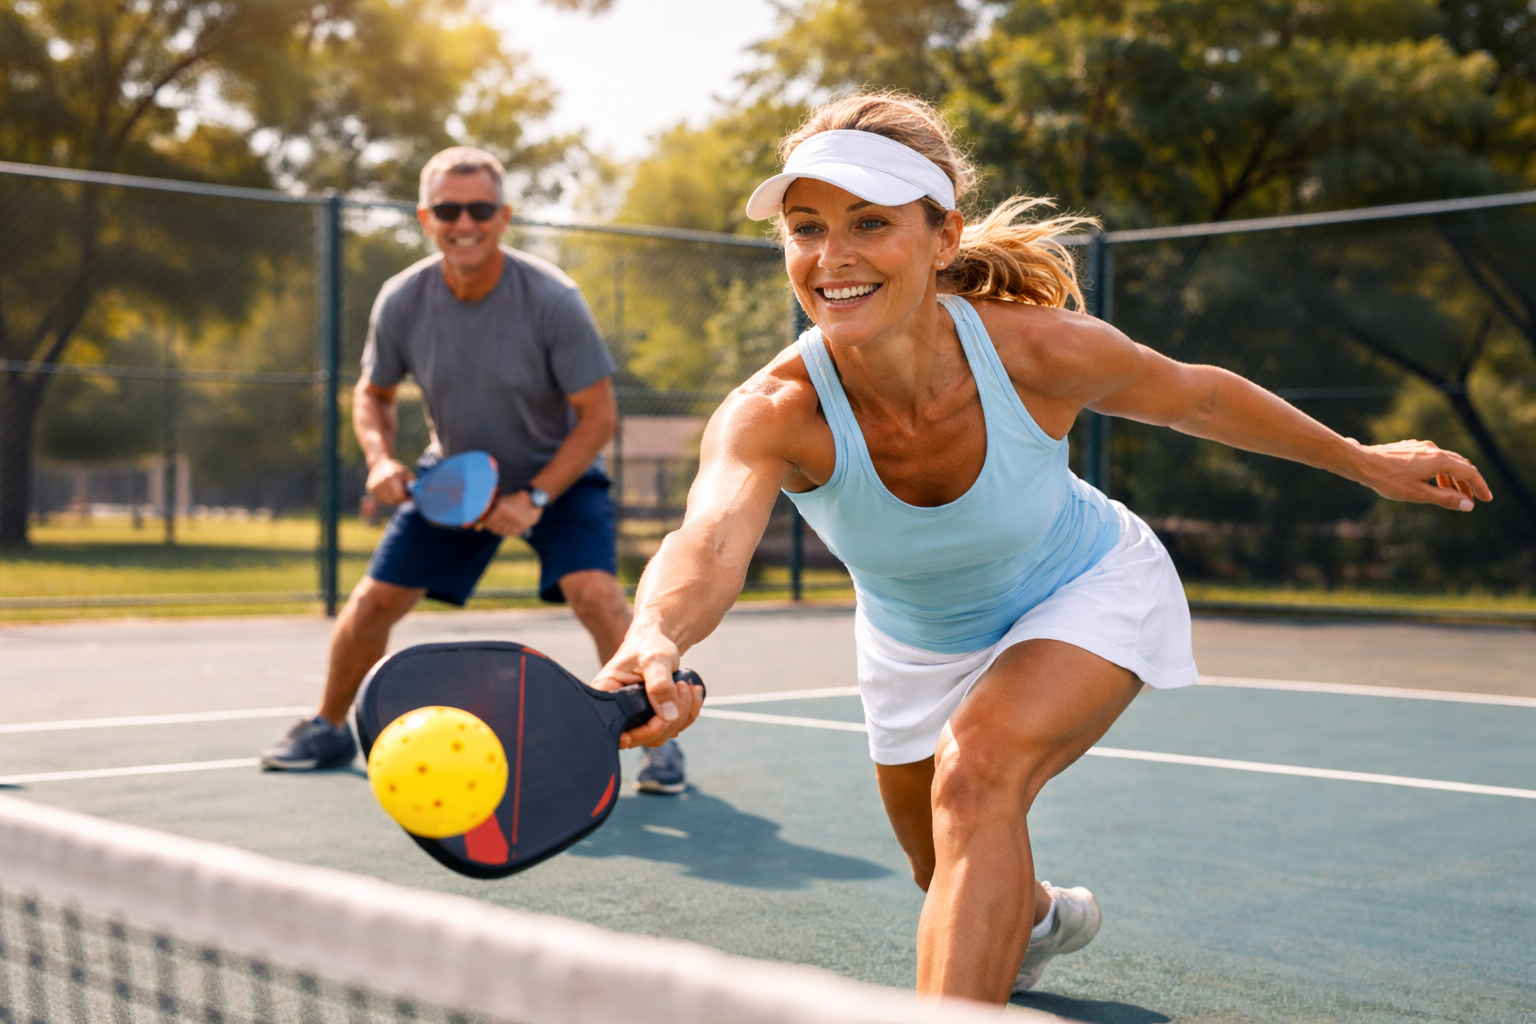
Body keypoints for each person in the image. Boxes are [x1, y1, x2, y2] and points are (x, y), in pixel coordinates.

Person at [589, 92, 1492, 1004]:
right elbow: (707, 538)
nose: (833, 257)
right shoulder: (774, 413)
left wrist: (1363, 461)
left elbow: (1197, 396)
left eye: (870, 223)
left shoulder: (1038, 351)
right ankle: (1040, 918)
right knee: (940, 865)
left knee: (976, 777)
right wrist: (655, 635)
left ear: (943, 238)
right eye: (806, 227)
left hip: (1085, 585)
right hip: (912, 639)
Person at [260, 146, 688, 795]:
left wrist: (537, 495)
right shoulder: (401, 299)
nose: (465, 222)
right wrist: (379, 458)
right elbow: (372, 393)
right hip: (453, 478)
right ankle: (326, 725)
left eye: (480, 209)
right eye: (448, 209)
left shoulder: (553, 299)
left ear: (504, 216)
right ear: (426, 218)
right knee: (372, 603)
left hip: (559, 478)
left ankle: (655, 737)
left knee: (596, 595)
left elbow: (597, 418)